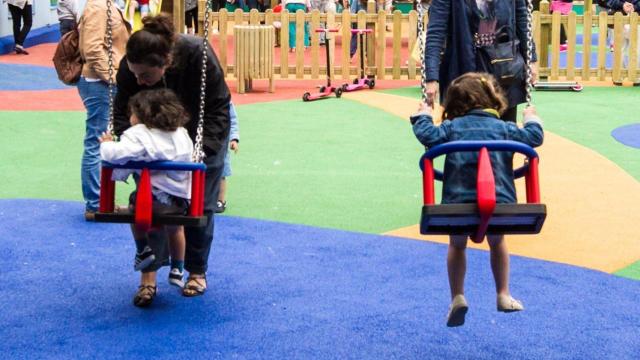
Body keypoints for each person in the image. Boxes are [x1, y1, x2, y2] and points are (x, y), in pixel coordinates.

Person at [410, 72, 544, 327]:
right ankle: (503, 293)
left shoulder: (452, 127)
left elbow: (427, 134)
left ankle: (457, 296)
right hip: (501, 206)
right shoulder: (504, 128)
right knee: (498, 241)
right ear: (493, 101)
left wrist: (423, 113)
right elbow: (533, 138)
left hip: (456, 205)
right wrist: (531, 118)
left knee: (457, 245)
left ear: (455, 105)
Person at [113, 14, 231, 298]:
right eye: (135, 73)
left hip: (200, 138)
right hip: (153, 146)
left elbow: (218, 108)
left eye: (146, 76)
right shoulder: (130, 70)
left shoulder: (196, 56)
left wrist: (202, 152)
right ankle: (149, 277)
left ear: (165, 64)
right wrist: (128, 144)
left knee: (199, 205)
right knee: (149, 206)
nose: (139, 81)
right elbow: (120, 111)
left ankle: (196, 271)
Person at [100, 89, 193, 307]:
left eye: (132, 113)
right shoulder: (181, 133)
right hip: (180, 202)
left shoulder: (140, 133)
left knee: (136, 212)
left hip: (150, 203)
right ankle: (178, 267)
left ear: (142, 116)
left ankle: (143, 249)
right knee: (176, 228)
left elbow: (114, 154)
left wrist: (106, 143)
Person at [424, 0, 538, 123]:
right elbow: (436, 33)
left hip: (503, 67)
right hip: (463, 71)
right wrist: (431, 77)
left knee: (503, 132)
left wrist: (531, 59)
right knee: (463, 131)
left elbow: (522, 21)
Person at [78, 0, 130, 221]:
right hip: (99, 82)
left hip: (102, 80)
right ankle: (95, 203)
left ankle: (101, 201)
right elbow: (92, 48)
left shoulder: (107, 5)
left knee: (102, 138)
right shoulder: (99, 7)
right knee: (97, 139)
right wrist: (114, 79)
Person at [607, 0, 640, 85]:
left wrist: (627, 6)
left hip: (633, 19)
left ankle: (622, 76)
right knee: (631, 49)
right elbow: (610, 2)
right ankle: (634, 77)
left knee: (623, 49)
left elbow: (610, 2)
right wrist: (627, 6)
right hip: (622, 19)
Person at [216, 102, 240, 213]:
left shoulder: (226, 102)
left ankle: (220, 200)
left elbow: (233, 121)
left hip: (221, 143)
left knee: (222, 174)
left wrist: (234, 139)